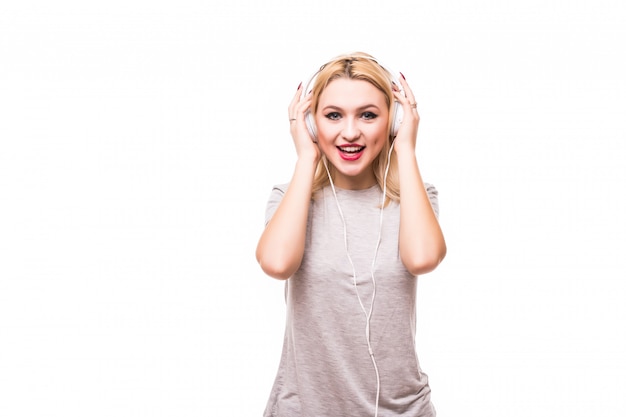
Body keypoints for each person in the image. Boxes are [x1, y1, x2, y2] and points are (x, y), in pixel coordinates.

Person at [255, 52, 447, 417]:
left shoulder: (415, 198)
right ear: (311, 125)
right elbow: (277, 264)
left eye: (368, 115)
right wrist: (306, 158)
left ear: (393, 122)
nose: (350, 132)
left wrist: (404, 147)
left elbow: (422, 258)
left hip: (401, 410)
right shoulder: (290, 198)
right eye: (332, 116)